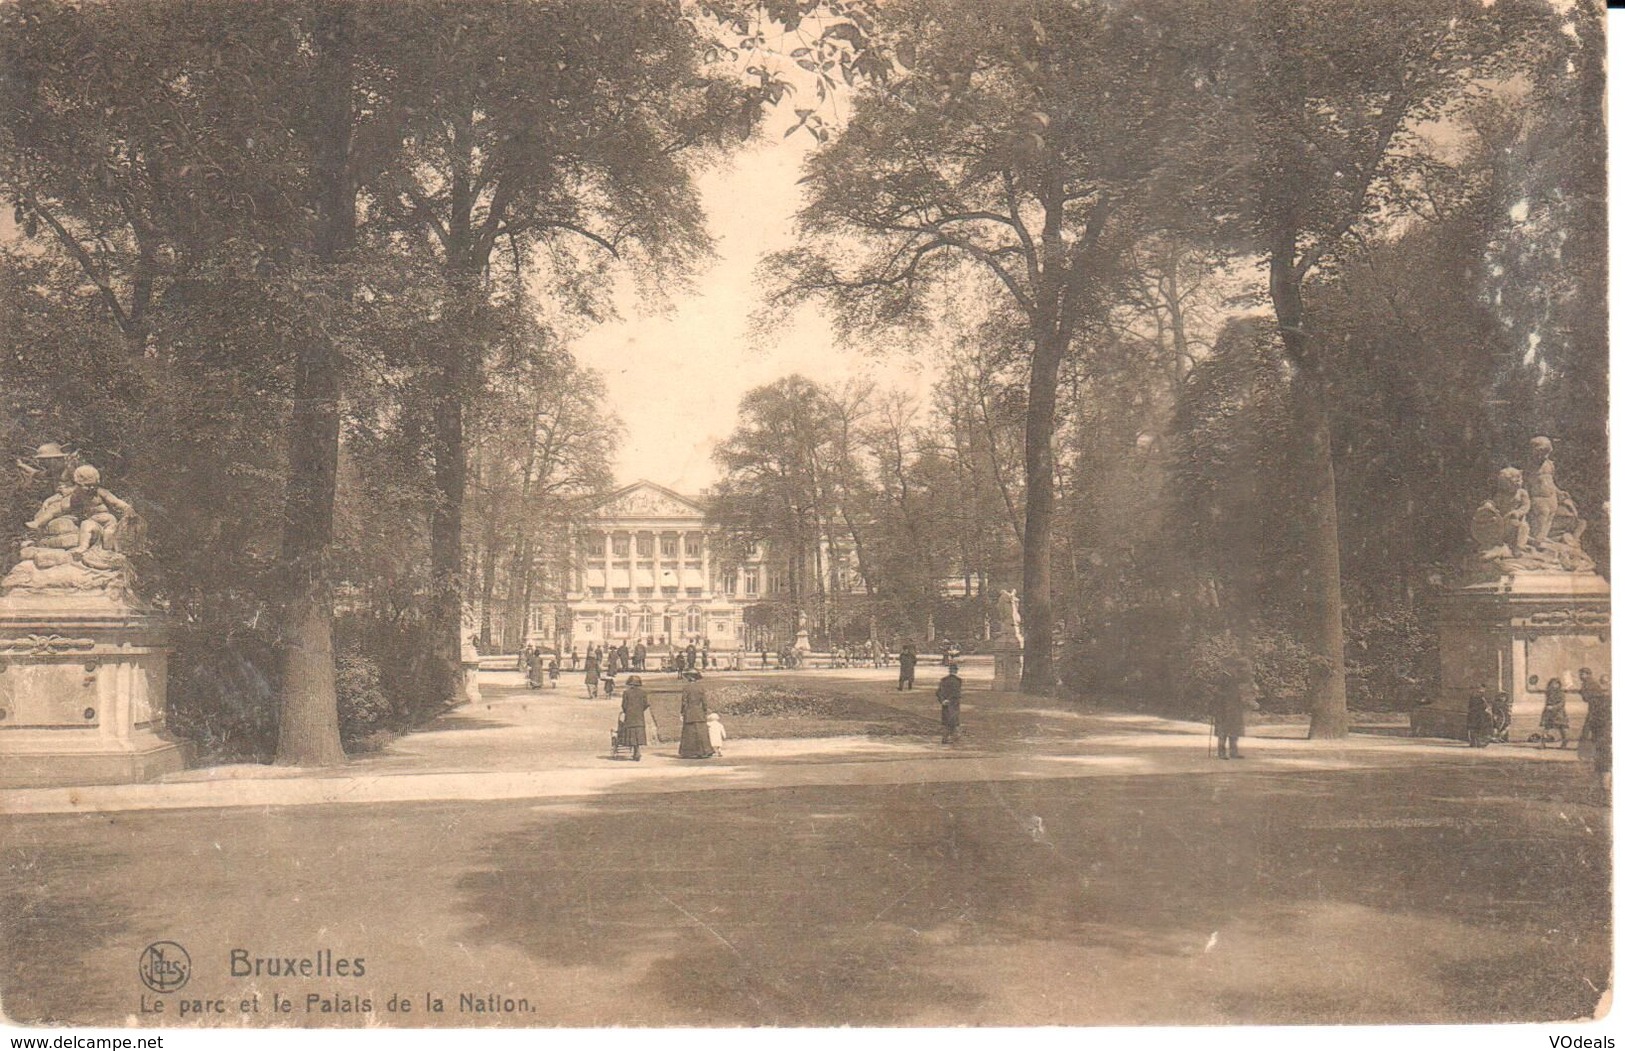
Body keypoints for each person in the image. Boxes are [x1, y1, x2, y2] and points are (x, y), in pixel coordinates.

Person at [1213, 656, 1260, 759]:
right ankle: (1222, 753)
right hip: (1224, 708)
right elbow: (1216, 692)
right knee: (1223, 731)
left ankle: (1233, 752)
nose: (1234, 669)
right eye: (1232, 667)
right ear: (1227, 667)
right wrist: (1226, 697)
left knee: (1234, 730)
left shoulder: (1233, 678)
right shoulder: (1222, 678)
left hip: (1234, 708)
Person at [1579, 668, 1610, 784]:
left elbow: (1587, 697)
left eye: (1583, 674)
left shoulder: (1591, 684)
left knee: (1593, 735)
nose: (1581, 676)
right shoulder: (1590, 684)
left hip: (1597, 714)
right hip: (1596, 713)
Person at [678, 670, 714, 758]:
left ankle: (689, 752)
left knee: (689, 732)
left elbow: (684, 702)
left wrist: (682, 712)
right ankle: (705, 751)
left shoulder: (686, 688)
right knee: (701, 732)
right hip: (699, 711)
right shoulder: (700, 688)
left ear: (690, 678)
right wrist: (705, 711)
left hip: (689, 711)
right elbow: (704, 701)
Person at [618, 676, 650, 761]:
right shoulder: (643, 693)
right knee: (638, 733)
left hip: (630, 716)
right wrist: (640, 710)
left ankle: (635, 751)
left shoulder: (626, 693)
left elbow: (624, 705)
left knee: (632, 733)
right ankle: (637, 750)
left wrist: (627, 711)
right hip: (639, 716)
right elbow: (646, 704)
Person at [936, 664, 963, 744]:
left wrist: (943, 700)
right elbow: (957, 693)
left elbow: (938, 692)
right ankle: (955, 738)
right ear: (956, 671)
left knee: (946, 721)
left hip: (946, 704)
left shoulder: (944, 680)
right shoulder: (958, 681)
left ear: (949, 671)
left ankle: (945, 738)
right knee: (954, 721)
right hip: (954, 703)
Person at [1540, 677, 1570, 748]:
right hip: (1549, 713)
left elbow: (1562, 703)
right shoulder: (1548, 693)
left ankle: (1565, 741)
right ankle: (1543, 743)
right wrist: (1547, 708)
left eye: (1556, 684)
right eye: (1552, 684)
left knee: (1561, 728)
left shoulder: (1561, 693)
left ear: (1559, 685)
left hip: (1559, 713)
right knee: (1546, 728)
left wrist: (1553, 707)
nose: (1554, 685)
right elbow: (1547, 702)